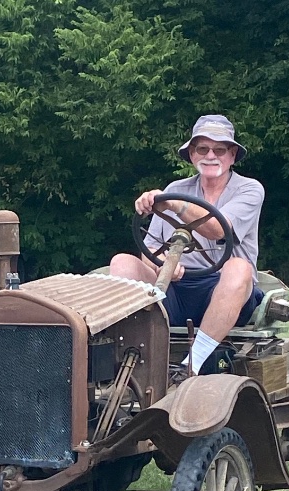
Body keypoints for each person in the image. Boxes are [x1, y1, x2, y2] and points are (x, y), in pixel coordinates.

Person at [110, 114, 264, 375]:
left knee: (239, 267)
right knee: (121, 263)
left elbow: (217, 228)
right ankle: (135, 360)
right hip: (175, 290)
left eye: (219, 149)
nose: (210, 156)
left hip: (225, 293)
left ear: (232, 155)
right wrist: (162, 266)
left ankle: (192, 364)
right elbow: (150, 249)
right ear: (192, 154)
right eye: (202, 149)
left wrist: (174, 204)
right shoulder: (176, 187)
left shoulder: (249, 189)